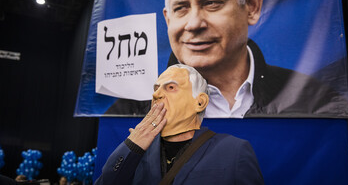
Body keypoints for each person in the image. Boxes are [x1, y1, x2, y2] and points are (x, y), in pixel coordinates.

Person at [106, 0, 348, 118]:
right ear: (168, 19)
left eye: (212, 3)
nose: (193, 24)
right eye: (181, 8)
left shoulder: (314, 98)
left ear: (252, 6)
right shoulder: (133, 111)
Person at [95, 64, 264, 184]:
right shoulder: (137, 150)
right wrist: (132, 146)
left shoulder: (234, 151)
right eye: (156, 88)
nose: (157, 95)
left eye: (170, 87)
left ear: (200, 102)